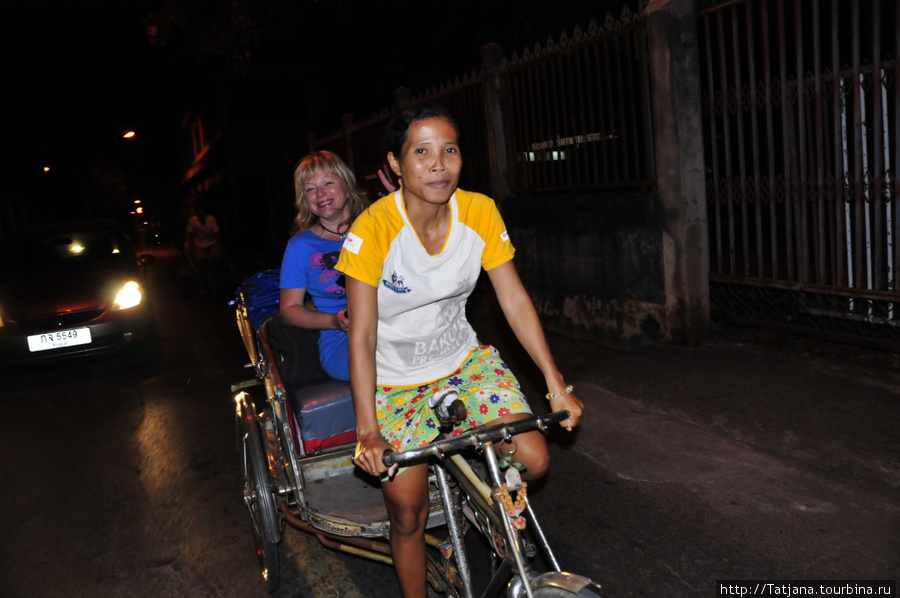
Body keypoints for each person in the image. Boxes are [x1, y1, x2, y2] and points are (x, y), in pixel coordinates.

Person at [336, 103, 584, 597]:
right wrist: (367, 432)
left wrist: (556, 385)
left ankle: (478, 491)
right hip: (395, 381)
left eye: (449, 150)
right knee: (408, 513)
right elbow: (361, 336)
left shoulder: (479, 211)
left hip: (463, 364)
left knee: (532, 458)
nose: (438, 164)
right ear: (395, 165)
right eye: (421, 152)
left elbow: (513, 300)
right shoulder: (372, 231)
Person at [279, 151, 369, 381]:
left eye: (328, 183)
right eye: (310, 189)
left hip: (394, 327)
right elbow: (289, 311)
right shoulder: (300, 246)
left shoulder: (374, 227)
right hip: (342, 340)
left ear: (347, 187)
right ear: (305, 201)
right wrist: (333, 321)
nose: (320, 194)